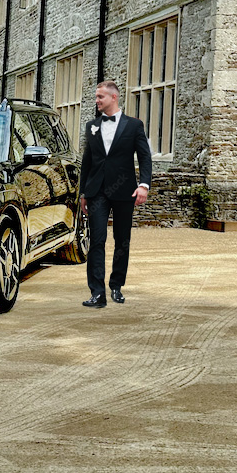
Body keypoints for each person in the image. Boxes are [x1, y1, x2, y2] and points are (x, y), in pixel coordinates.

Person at [79, 80, 152, 308]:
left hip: (124, 191)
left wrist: (144, 185)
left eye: (100, 97)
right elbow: (87, 162)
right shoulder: (92, 125)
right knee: (96, 240)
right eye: (96, 97)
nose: (97, 100)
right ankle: (97, 293)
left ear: (114, 97)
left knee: (122, 240)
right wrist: (83, 193)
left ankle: (116, 286)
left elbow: (145, 157)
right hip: (97, 191)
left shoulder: (134, 126)